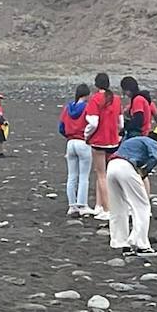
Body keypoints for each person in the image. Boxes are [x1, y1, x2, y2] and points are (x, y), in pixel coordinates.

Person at [106, 133, 157, 257]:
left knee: (118, 206)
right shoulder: (153, 142)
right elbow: (155, 157)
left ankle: (120, 242)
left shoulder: (133, 140)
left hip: (111, 165)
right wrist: (145, 171)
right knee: (142, 206)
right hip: (125, 167)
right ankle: (141, 244)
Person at [83, 73, 122, 220]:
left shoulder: (95, 99)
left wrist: (87, 135)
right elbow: (121, 122)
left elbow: (93, 122)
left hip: (99, 140)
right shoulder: (116, 99)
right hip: (113, 140)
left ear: (96, 84)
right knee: (108, 174)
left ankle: (107, 209)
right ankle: (100, 206)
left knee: (100, 174)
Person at [60, 84, 92, 216]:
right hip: (83, 141)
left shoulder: (68, 108)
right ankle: (82, 204)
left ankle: (72, 205)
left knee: (72, 175)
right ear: (87, 95)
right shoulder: (87, 107)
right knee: (84, 176)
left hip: (70, 142)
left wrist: (69, 135)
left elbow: (61, 127)